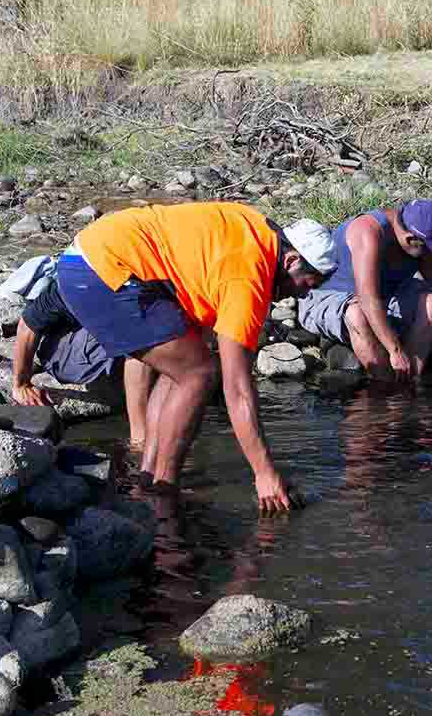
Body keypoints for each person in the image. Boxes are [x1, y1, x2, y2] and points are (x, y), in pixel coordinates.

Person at [56, 203, 336, 511]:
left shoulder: (256, 231)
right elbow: (238, 390)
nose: (303, 295)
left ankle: (148, 480)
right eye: (307, 284)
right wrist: (264, 473)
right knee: (199, 374)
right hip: (101, 270)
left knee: (183, 365)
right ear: (292, 259)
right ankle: (163, 494)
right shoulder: (249, 275)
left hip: (92, 258)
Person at [298, 200, 432, 382]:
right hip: (329, 298)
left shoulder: (418, 238)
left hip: (383, 297)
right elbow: (367, 299)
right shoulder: (368, 230)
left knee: (430, 300)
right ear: (410, 239)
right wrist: (395, 350)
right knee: (357, 314)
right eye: (428, 247)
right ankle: (385, 386)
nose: (430, 254)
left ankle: (410, 381)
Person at [9, 279, 158, 446]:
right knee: (143, 332)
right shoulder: (83, 277)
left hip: (110, 322)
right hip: (63, 353)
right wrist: (21, 385)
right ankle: (140, 438)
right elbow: (27, 325)